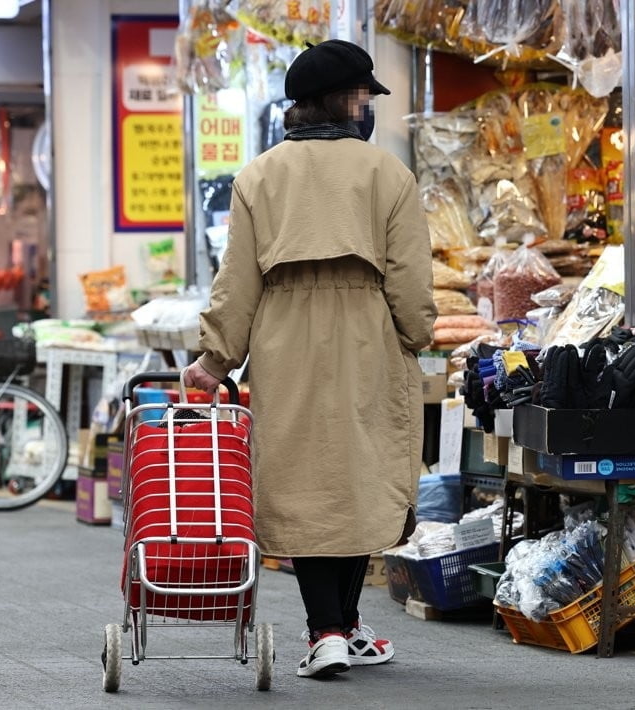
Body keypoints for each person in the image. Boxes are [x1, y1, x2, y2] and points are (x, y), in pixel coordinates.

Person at [183, 39, 437, 679]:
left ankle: (337, 629)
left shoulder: (258, 176)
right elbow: (410, 280)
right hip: (368, 337)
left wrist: (214, 360)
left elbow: (235, 282)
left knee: (305, 483)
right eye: (361, 95)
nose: (366, 106)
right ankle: (330, 627)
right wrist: (416, 334)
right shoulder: (388, 174)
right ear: (340, 101)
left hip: (282, 339)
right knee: (357, 477)